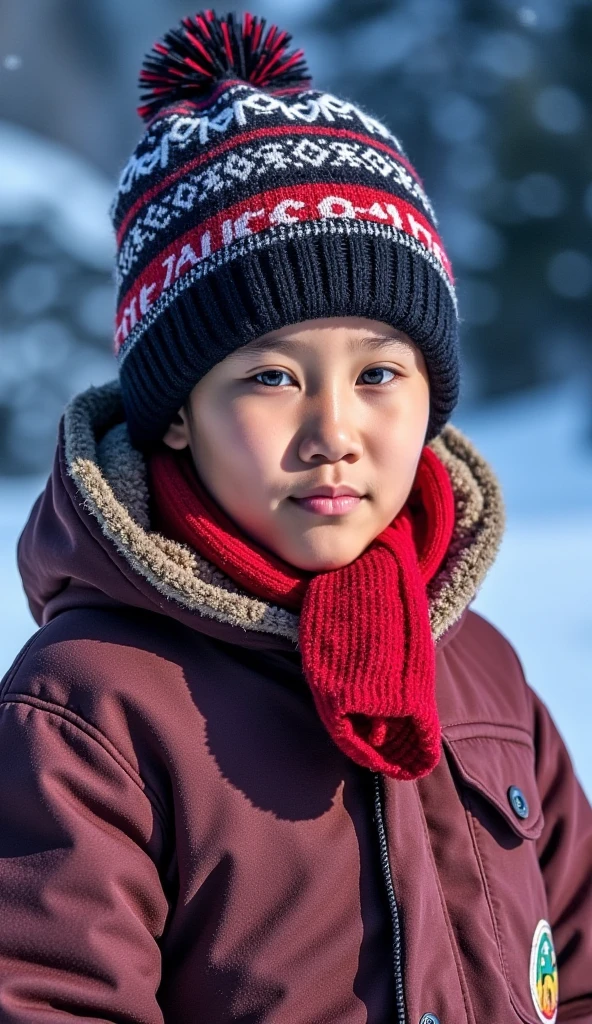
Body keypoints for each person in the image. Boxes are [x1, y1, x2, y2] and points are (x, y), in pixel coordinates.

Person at [0, 10, 590, 1023]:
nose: (334, 431)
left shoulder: (484, 675)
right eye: (272, 375)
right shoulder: (91, 706)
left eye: (377, 374)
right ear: (178, 414)